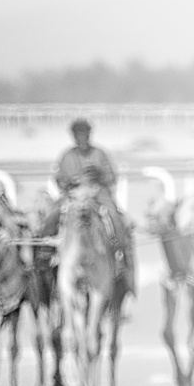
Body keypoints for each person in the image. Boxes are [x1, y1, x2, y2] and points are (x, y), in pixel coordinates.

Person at [45, 117, 136, 297]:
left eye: (85, 135)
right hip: (73, 194)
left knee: (114, 215)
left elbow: (111, 178)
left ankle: (120, 252)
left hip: (97, 193)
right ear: (74, 137)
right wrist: (71, 183)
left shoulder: (100, 154)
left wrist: (98, 177)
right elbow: (59, 179)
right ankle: (45, 251)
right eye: (78, 135)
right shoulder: (67, 156)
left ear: (89, 135)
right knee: (52, 213)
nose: (82, 139)